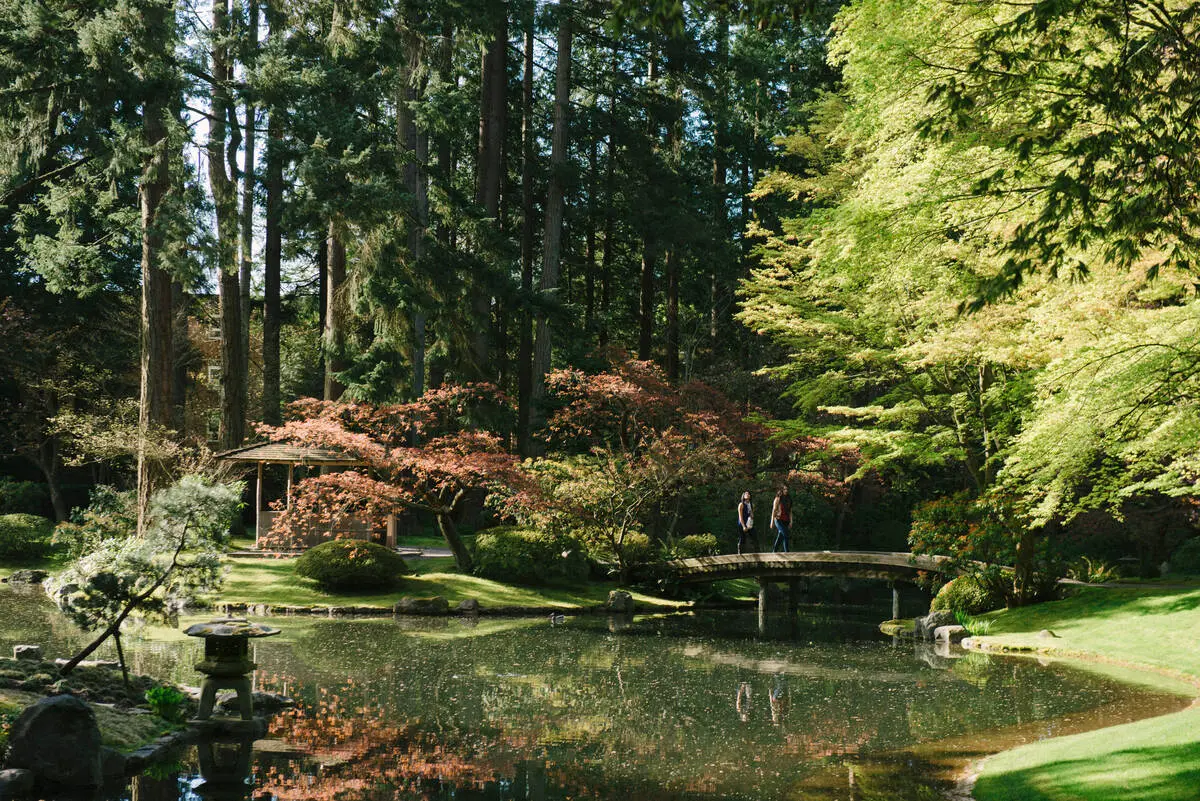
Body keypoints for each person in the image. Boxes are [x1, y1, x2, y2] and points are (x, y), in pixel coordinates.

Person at [771, 487, 791, 552]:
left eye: (787, 489)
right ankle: (787, 553)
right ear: (781, 490)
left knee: (780, 537)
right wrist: (772, 522)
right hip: (778, 519)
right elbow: (773, 511)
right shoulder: (777, 499)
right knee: (786, 535)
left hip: (786, 520)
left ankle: (774, 552)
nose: (786, 490)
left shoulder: (788, 499)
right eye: (784, 489)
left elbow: (790, 511)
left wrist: (791, 521)